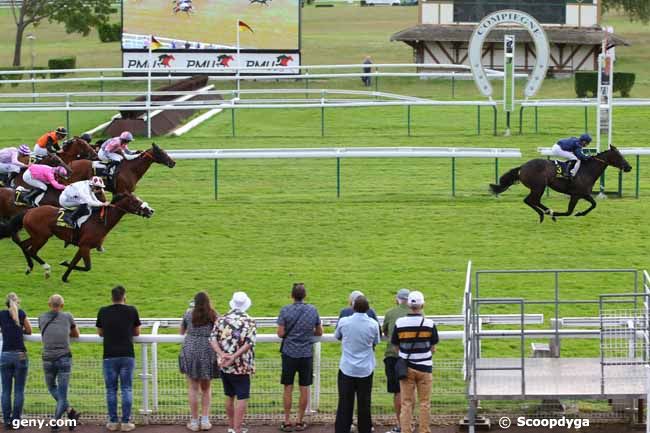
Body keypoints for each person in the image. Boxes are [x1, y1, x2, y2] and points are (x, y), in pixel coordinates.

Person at [276, 283, 323, 432]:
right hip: (306, 354)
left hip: (289, 353)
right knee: (304, 388)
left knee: (288, 387)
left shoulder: (285, 310)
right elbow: (319, 332)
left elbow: (280, 333)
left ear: (291, 296)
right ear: (305, 295)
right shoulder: (312, 310)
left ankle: (287, 420)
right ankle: (300, 420)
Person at [391, 291, 439, 433]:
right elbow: (433, 348)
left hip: (406, 368)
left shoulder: (400, 323)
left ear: (408, 304)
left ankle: (406, 430)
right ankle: (424, 430)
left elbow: (395, 346)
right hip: (425, 368)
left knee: (406, 402)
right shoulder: (429, 324)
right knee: (424, 403)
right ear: (422, 304)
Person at [96, 286, 141, 432]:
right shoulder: (132, 310)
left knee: (111, 390)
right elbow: (137, 332)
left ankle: (113, 422)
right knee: (126, 388)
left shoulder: (103, 311)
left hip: (109, 355)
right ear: (124, 297)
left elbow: (100, 332)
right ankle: (126, 422)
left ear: (112, 297)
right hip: (127, 354)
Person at [210, 292, 256, 433]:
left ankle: (231, 427)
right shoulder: (249, 321)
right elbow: (249, 343)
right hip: (241, 365)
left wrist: (222, 354)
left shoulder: (222, 319)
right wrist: (234, 356)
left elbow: (212, 339)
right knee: (242, 396)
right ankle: (237, 428)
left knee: (229, 395)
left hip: (224, 364)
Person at [334, 296, 380, 433]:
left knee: (344, 403)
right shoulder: (373, 324)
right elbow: (376, 341)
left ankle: (342, 429)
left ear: (353, 307)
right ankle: (365, 428)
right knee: (364, 403)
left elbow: (337, 336)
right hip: (365, 369)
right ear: (368, 309)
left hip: (347, 368)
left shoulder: (344, 321)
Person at [38, 294, 81, 432]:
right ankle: (64, 416)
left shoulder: (41, 317)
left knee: (52, 387)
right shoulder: (67, 316)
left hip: (47, 358)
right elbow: (76, 334)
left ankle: (67, 414)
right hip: (64, 357)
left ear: (49, 304)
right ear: (62, 305)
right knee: (62, 394)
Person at [180, 292, 218, 432]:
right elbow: (218, 333)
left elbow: (181, 332)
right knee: (206, 387)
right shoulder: (213, 314)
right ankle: (205, 420)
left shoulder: (188, 313)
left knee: (193, 387)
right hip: (208, 351)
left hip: (190, 350)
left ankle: (194, 421)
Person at [0, 293, 32, 430]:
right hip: (20, 354)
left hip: (5, 354)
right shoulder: (21, 313)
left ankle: (7, 421)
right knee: (19, 390)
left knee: (6, 391)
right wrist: (21, 330)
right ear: (17, 302)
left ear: (6, 303)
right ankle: (16, 420)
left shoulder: (1, 314)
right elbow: (29, 331)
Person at [382, 289, 411, 433]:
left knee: (398, 392)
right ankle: (409, 424)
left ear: (397, 299)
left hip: (393, 356)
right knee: (410, 392)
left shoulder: (390, 313)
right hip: (414, 358)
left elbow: (385, 332)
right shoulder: (418, 313)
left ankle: (402, 426)